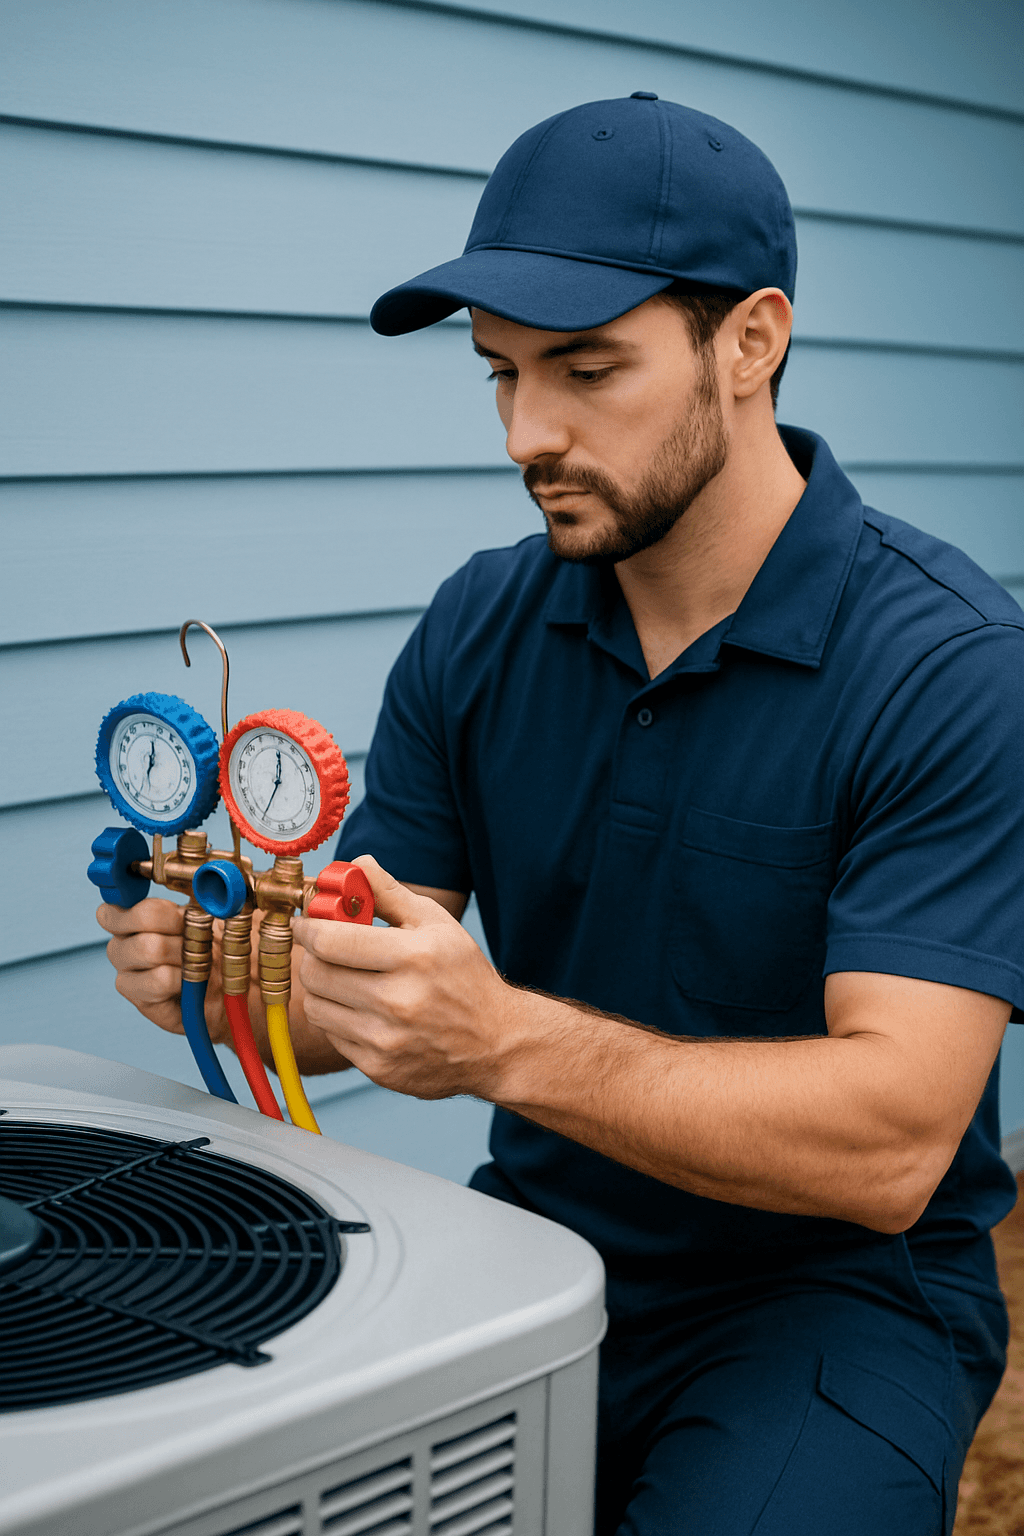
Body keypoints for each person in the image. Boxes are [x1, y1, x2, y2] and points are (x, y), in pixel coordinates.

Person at [99, 95, 1024, 1534]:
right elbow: (372, 999)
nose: (531, 431)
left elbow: (892, 1145)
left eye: (591, 370)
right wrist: (216, 968)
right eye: (501, 375)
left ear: (751, 343)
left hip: (832, 1296)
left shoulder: (950, 668)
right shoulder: (481, 623)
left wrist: (504, 1039)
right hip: (534, 1248)